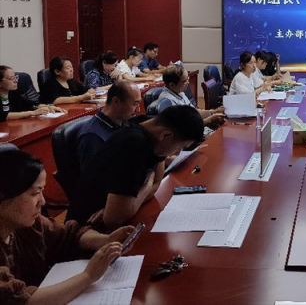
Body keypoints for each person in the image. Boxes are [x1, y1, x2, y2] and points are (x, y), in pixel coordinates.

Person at [0, 150, 136, 305]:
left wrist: (105, 240)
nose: (42, 201)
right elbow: (22, 301)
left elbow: (68, 235)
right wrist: (88, 276)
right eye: (35, 193)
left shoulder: (30, 223)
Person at [68, 106, 204, 229]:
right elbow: (113, 219)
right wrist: (147, 186)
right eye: (179, 148)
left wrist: (129, 204)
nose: (177, 153)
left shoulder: (151, 127)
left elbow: (157, 182)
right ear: (166, 135)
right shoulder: (133, 145)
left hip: (118, 216)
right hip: (84, 230)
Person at [76, 81, 142, 171]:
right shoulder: (92, 137)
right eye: (135, 104)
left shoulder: (125, 122)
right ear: (116, 102)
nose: (138, 110)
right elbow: (93, 177)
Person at [156, 65, 225, 125]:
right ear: (172, 85)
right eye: (184, 81)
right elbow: (184, 127)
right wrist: (210, 120)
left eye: (188, 79)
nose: (188, 83)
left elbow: (194, 112)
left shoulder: (178, 92)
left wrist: (214, 112)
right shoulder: (168, 102)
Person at [0, 66, 64, 122]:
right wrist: (33, 113)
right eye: (11, 78)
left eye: (16, 77)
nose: (16, 81)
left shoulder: (13, 93)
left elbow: (29, 104)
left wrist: (48, 107)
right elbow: (4, 115)